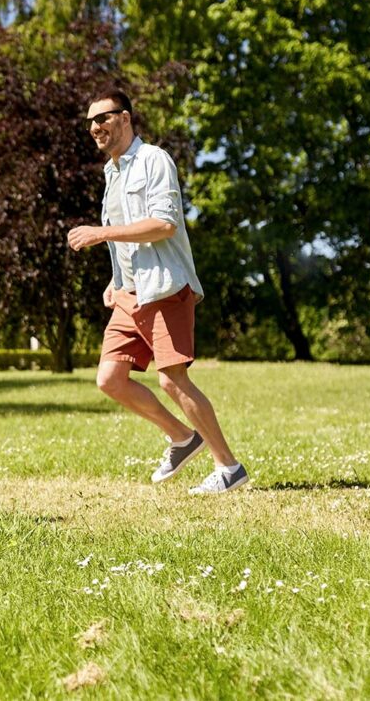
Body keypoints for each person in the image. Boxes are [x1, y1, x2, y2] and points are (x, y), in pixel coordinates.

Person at [67, 88, 248, 494]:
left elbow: (164, 224)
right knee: (110, 379)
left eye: (104, 118)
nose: (95, 127)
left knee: (172, 380)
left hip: (163, 287)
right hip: (129, 294)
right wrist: (115, 281)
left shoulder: (154, 160)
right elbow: (123, 241)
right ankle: (183, 437)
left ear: (126, 118)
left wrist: (99, 233)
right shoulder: (111, 173)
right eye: (90, 122)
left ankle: (229, 467)